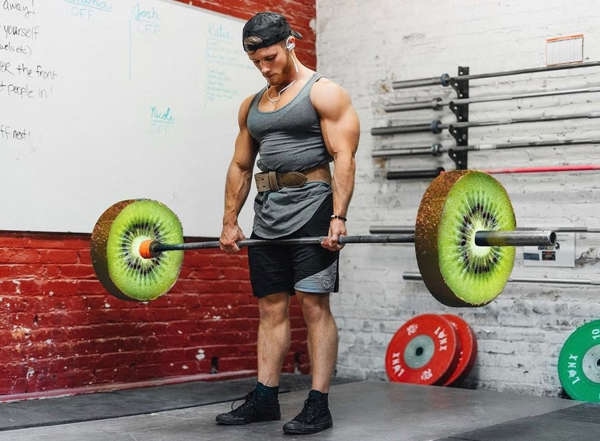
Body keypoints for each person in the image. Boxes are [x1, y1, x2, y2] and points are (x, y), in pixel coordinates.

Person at [216, 11, 360, 435]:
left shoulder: (324, 93)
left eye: (271, 58)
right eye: (256, 62)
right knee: (270, 306)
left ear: (290, 44)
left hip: (313, 207)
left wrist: (339, 216)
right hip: (268, 214)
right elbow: (241, 166)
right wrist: (229, 220)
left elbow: (344, 158)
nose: (264, 68)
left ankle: (318, 404)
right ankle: (265, 397)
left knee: (313, 306)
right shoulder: (252, 106)